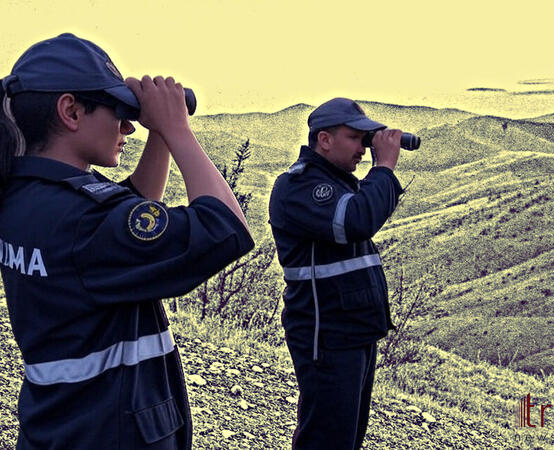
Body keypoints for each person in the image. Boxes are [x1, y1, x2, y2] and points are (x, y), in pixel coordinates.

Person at [0, 33, 254, 449]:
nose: (128, 127)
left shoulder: (26, 196)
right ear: (71, 111)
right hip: (110, 430)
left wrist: (158, 135)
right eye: (119, 112)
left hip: (60, 425)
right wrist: (177, 130)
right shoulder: (82, 219)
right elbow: (225, 227)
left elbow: (134, 211)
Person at [268, 98, 404, 449]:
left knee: (347, 438)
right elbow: (356, 222)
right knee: (327, 439)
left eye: (366, 139)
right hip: (326, 334)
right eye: (356, 138)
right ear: (325, 140)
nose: (363, 148)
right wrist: (385, 167)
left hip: (354, 330)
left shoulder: (340, 183)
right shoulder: (299, 186)